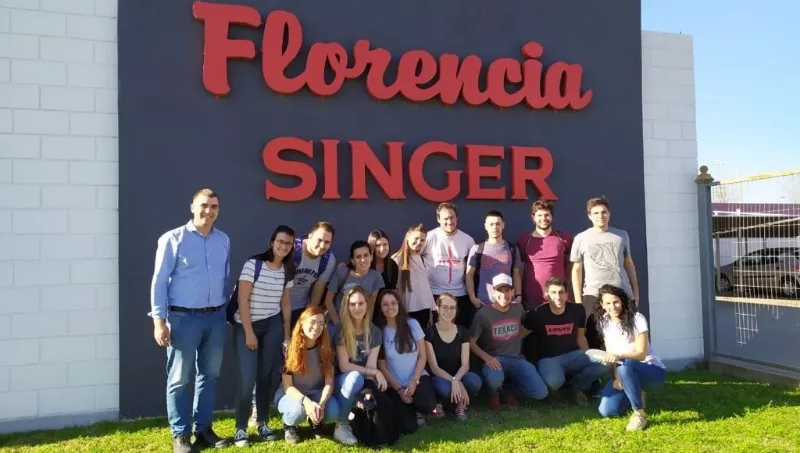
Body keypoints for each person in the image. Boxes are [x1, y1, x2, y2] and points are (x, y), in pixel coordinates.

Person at [149, 188, 231, 453]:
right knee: (180, 378)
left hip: (215, 317)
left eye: (214, 206)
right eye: (204, 205)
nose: (209, 211)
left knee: (210, 375)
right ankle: (181, 435)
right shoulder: (173, 239)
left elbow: (224, 277)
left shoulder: (223, 240)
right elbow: (159, 281)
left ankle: (204, 430)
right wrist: (159, 321)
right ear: (192, 207)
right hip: (182, 318)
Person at [230, 225, 295, 447]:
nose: (283, 246)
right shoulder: (253, 265)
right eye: (280, 241)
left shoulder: (288, 269)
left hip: (272, 325)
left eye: (288, 243)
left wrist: (286, 335)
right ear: (272, 242)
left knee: (265, 376)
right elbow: (242, 300)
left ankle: (262, 423)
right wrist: (249, 333)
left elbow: (285, 303)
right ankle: (240, 428)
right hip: (246, 326)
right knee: (247, 378)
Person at [470, 274, 548, 414]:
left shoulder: (518, 308)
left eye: (507, 290)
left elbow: (526, 325)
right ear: (493, 292)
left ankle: (509, 391)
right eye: (500, 291)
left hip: (517, 358)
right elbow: (471, 342)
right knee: (494, 379)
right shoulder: (483, 314)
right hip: (494, 360)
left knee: (540, 392)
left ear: (513, 291)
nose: (504, 295)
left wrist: (523, 333)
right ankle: (493, 393)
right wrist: (487, 358)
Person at [525, 277, 609, 406]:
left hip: (573, 355)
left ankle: (577, 385)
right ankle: (564, 385)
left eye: (561, 292)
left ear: (566, 294)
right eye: (553, 292)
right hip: (549, 359)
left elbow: (580, 337)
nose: (558, 297)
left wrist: (587, 358)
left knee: (607, 360)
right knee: (554, 382)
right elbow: (521, 334)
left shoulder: (577, 310)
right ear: (546, 295)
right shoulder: (537, 313)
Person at [570, 197, 640, 349]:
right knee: (594, 338)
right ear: (589, 216)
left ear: (609, 213)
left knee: (627, 336)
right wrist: (578, 301)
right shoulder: (581, 238)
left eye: (603, 212)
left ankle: (622, 364)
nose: (600, 216)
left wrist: (635, 293)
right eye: (596, 213)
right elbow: (576, 270)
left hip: (622, 293)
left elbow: (629, 264)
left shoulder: (621, 235)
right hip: (593, 294)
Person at [594, 285, 666, 431]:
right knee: (607, 411)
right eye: (608, 303)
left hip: (651, 370)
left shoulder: (637, 318)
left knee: (625, 365)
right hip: (623, 370)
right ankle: (635, 391)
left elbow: (641, 354)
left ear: (622, 301)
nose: (612, 306)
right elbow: (611, 353)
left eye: (616, 302)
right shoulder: (604, 321)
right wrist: (617, 377)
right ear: (602, 304)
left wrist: (619, 356)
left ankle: (639, 414)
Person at [276, 306, 347, 444]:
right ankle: (289, 425)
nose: (317, 327)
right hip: (292, 394)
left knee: (333, 412)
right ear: (302, 323)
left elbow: (329, 382)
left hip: (316, 392)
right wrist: (307, 403)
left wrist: (321, 404)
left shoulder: (326, 349)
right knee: (297, 412)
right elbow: (288, 387)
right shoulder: (288, 349)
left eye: (321, 323)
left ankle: (316, 421)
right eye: (313, 322)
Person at [332, 285, 389, 445]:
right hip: (341, 382)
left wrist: (369, 386)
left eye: (361, 303)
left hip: (362, 379)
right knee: (355, 377)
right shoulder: (341, 329)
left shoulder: (375, 331)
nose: (357, 308)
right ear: (347, 306)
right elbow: (344, 366)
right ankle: (341, 425)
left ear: (367, 305)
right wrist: (375, 372)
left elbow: (371, 365)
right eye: (352, 304)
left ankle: (357, 416)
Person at [376, 290, 439, 426]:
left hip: (417, 377)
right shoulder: (380, 331)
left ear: (399, 304)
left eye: (393, 303)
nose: (390, 307)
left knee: (427, 404)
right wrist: (399, 390)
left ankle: (418, 408)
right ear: (380, 308)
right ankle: (409, 409)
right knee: (408, 426)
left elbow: (422, 356)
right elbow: (382, 366)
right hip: (395, 384)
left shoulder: (413, 324)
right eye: (385, 304)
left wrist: (414, 380)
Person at [424, 293, 482, 421]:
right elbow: (434, 368)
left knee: (474, 382)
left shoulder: (462, 332)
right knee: (444, 389)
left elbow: (465, 365)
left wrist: (457, 379)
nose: (448, 311)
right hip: (440, 376)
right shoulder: (429, 333)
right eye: (445, 307)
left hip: (459, 374)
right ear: (437, 309)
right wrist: (454, 381)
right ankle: (439, 403)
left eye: (452, 308)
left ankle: (460, 404)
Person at [422, 202, 476, 328]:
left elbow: (474, 268)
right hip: (434, 294)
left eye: (452, 217)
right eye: (445, 218)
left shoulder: (468, 240)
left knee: (460, 331)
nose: (449, 221)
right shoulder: (429, 237)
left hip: (460, 295)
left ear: (457, 218)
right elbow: (413, 254)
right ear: (438, 219)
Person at [517, 199, 574, 310]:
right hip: (532, 299)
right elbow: (520, 270)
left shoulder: (564, 238)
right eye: (539, 215)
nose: (543, 218)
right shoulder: (524, 240)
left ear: (552, 216)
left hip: (559, 298)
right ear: (533, 218)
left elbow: (570, 265)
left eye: (547, 215)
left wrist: (565, 285)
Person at [466, 210, 523, 309]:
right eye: (491, 224)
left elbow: (516, 274)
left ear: (503, 225)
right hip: (484, 303)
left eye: (498, 224)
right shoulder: (478, 249)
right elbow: (469, 274)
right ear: (486, 226)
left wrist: (518, 296)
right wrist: (472, 298)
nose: (495, 227)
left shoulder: (512, 249)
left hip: (507, 303)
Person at [289, 222, 337, 329]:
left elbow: (318, 289)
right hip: (278, 306)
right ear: (310, 236)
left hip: (301, 307)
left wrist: (309, 313)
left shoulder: (328, 260)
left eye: (327, 242)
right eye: (319, 240)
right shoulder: (293, 250)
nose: (322, 246)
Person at [325, 241, 385, 325]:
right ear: (353, 260)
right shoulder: (341, 272)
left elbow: (371, 305)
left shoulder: (376, 277)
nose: (363, 260)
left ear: (371, 257)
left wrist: (366, 325)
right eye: (358, 257)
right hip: (339, 323)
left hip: (360, 325)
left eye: (366, 255)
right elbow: (328, 300)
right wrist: (337, 324)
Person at [392, 224, 436, 328]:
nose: (419, 242)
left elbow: (425, 287)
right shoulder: (396, 259)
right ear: (408, 237)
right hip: (406, 310)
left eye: (422, 240)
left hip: (424, 310)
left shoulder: (422, 259)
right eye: (416, 238)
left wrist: (433, 306)